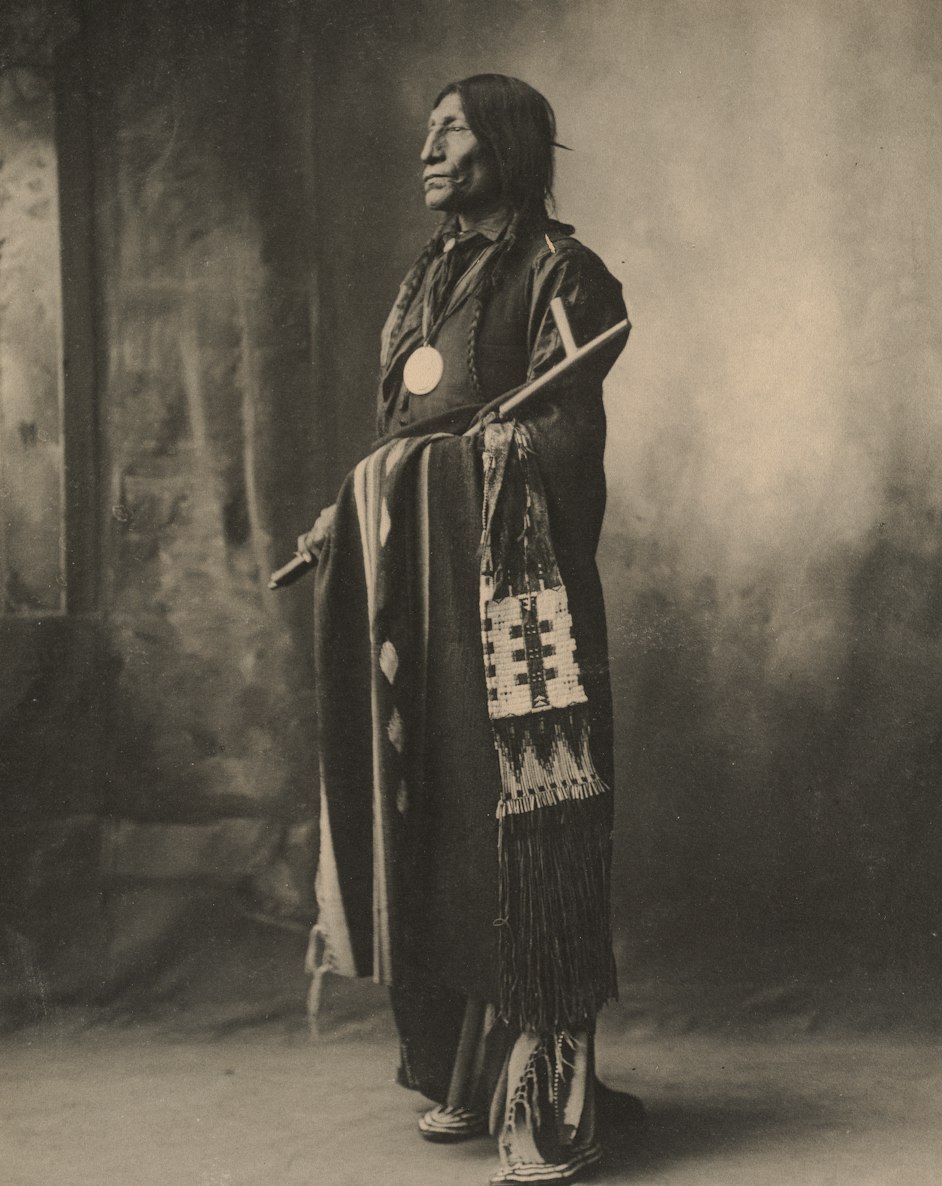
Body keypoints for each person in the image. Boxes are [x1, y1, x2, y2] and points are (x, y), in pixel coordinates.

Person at [300, 73, 637, 1185]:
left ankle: (552, 1085)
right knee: (436, 809)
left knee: (527, 823)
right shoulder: (424, 282)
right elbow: (396, 428)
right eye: (429, 131)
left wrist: (464, 462)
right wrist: (351, 508)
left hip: (512, 605)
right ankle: (464, 1067)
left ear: (507, 143)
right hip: (419, 598)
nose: (431, 146)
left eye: (453, 130)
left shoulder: (562, 273)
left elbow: (566, 433)